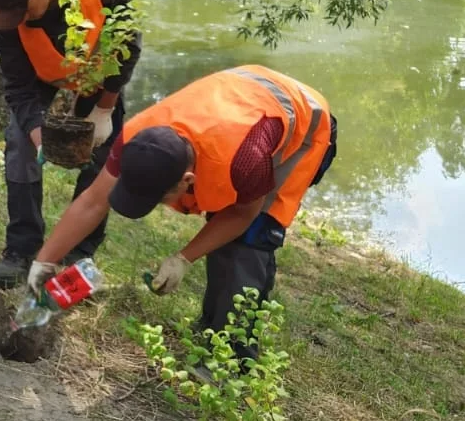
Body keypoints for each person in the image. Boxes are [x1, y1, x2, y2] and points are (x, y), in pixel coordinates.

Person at [30, 65, 337, 355]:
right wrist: (44, 261)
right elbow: (93, 201)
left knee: (251, 238)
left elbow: (244, 214)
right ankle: (210, 329)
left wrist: (183, 258)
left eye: (157, 198)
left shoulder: (246, 161)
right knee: (223, 225)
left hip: (304, 121)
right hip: (243, 95)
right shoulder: (139, 137)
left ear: (187, 180)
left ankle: (232, 357)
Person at [0, 0, 141, 288]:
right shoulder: (7, 16)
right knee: (19, 142)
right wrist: (38, 134)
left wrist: (104, 109)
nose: (20, 21)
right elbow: (19, 88)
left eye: (25, 11)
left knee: (103, 154)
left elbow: (128, 43)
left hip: (98, 74)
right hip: (43, 77)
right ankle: (21, 248)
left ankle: (77, 253)